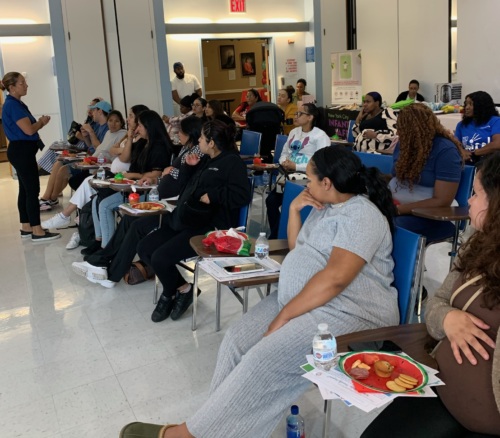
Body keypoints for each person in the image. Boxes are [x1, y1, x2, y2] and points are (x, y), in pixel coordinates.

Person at [119, 145, 399, 438]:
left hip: (349, 313)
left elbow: (335, 279)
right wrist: (293, 209)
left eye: (311, 180)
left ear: (327, 183)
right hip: (306, 301)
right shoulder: (326, 207)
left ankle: (186, 435)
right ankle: (214, 429)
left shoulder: (361, 215)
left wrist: (284, 317)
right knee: (235, 343)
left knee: (262, 360)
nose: (307, 184)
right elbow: (298, 249)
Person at [362, 152, 500, 437]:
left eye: (475, 194)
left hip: (481, 417)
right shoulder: (478, 244)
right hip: (440, 385)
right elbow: (435, 303)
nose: (468, 202)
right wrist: (448, 318)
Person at [71, 116, 205, 284]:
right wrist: (159, 178)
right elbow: (172, 174)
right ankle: (102, 262)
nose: (178, 133)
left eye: (181, 131)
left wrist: (165, 174)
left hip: (171, 205)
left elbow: (184, 179)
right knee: (128, 218)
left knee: (134, 223)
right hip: (161, 196)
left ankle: (110, 272)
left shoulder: (197, 153)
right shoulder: (186, 149)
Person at [41, 106, 147, 244]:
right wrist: (118, 149)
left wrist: (119, 149)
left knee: (88, 184)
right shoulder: (125, 135)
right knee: (83, 180)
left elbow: (124, 156)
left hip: (121, 179)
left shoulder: (133, 137)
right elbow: (112, 149)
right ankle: (72, 221)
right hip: (110, 171)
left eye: (131, 116)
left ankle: (67, 217)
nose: (128, 119)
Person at [90, 110, 171, 249]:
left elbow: (156, 174)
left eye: (140, 125)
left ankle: (106, 249)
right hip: (133, 187)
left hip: (145, 192)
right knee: (97, 199)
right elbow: (125, 158)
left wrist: (132, 176)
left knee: (104, 205)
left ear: (149, 126)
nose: (136, 128)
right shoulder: (143, 143)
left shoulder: (159, 147)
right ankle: (100, 242)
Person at [390, 104, 463, 242]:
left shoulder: (446, 151)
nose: (398, 133)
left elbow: (442, 201)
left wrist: (398, 210)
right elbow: (396, 177)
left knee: (388, 225)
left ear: (415, 130)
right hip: (399, 208)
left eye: (401, 128)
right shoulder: (404, 145)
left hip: (431, 217)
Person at [1, 71, 60, 242]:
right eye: (22, 83)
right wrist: (41, 122)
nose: (26, 85)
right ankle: (37, 230)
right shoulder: (12, 105)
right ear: (12, 87)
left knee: (25, 190)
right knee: (32, 190)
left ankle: (26, 226)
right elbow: (28, 130)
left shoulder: (15, 103)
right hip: (21, 151)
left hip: (21, 151)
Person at [266, 103, 331, 239]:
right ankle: (277, 233)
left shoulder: (320, 136)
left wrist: (296, 166)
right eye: (296, 113)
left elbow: (321, 163)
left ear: (310, 117)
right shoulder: (294, 132)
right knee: (271, 201)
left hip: (307, 178)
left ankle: (277, 237)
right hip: (287, 175)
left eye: (300, 114)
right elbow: (285, 152)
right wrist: (284, 161)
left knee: (287, 203)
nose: (296, 116)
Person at [39, 100, 112, 211]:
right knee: (58, 163)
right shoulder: (97, 125)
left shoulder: (106, 128)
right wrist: (86, 136)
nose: (92, 112)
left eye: (94, 110)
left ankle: (51, 198)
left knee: (63, 170)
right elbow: (90, 145)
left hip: (95, 162)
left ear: (100, 111)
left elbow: (100, 149)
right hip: (90, 156)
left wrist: (90, 133)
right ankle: (47, 197)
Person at [37, 96, 103, 175]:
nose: (90, 109)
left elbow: (92, 145)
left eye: (93, 108)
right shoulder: (90, 121)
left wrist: (82, 137)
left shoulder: (98, 125)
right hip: (79, 143)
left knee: (57, 153)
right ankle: (39, 167)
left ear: (99, 110)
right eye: (90, 106)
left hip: (83, 146)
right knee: (55, 146)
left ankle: (40, 168)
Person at [455, 90, 500, 165]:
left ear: (481, 106)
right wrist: (462, 151)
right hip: (467, 163)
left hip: (491, 165)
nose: (467, 107)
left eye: (471, 104)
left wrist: (475, 153)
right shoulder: (461, 125)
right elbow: (455, 143)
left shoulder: (495, 121)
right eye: (466, 104)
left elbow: (497, 144)